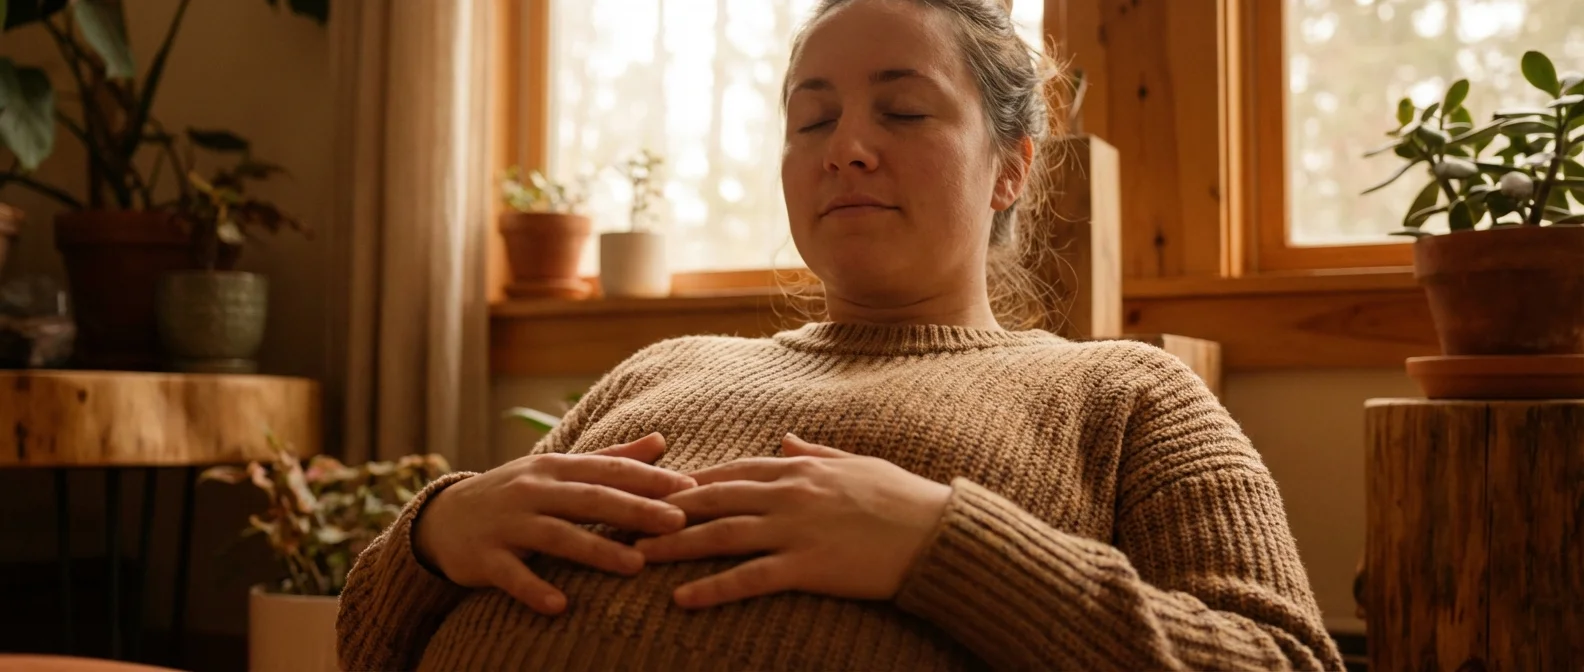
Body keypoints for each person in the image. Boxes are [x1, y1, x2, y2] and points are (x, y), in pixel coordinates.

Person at [336, 0, 1346, 669]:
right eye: (811, 122)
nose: (847, 150)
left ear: (1012, 168)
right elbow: (363, 642)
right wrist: (434, 538)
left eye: (902, 112)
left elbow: (1283, 663)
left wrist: (942, 549)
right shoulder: (665, 367)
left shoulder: (1125, 396)